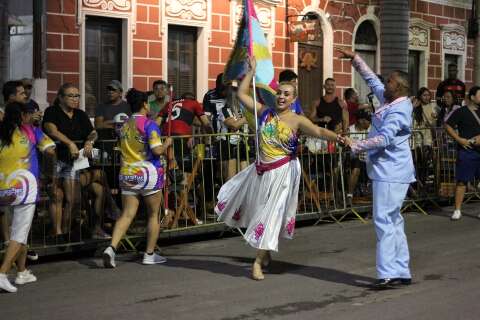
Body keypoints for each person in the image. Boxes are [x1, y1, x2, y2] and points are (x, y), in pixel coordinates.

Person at [215, 57, 341, 281]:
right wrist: (251, 72)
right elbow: (243, 95)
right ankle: (266, 254)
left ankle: (257, 262)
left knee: (270, 214)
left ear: (293, 99)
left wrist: (339, 138)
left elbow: (320, 132)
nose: (281, 97)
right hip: (261, 170)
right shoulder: (265, 112)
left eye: (286, 94)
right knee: (256, 210)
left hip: (283, 172)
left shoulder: (297, 120)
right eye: (279, 93)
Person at [338, 47, 415, 289]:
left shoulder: (400, 108)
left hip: (390, 172)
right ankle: (401, 270)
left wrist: (355, 144)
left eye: (390, 80)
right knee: (394, 221)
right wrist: (356, 59)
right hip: (389, 171)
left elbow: (385, 139)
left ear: (399, 87)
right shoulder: (390, 100)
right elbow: (372, 80)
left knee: (384, 220)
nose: (385, 82)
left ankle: (388, 273)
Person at [103, 88, 172, 268]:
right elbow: (157, 150)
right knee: (153, 215)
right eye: (147, 103)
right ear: (144, 104)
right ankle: (149, 254)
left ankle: (111, 248)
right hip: (148, 172)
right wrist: (167, 143)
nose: (149, 106)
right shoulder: (149, 124)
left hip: (127, 173)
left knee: (127, 214)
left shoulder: (124, 125)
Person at [0, 102, 55, 293]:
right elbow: (50, 150)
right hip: (25, 188)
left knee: (17, 231)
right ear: (23, 116)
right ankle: (2, 273)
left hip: (4, 189)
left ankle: (22, 272)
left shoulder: (2, 133)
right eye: (29, 114)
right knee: (19, 234)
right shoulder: (30, 132)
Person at [43, 83, 103, 238]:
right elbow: (51, 130)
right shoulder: (52, 111)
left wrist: (90, 141)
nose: (75, 99)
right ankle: (57, 232)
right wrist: (69, 143)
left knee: (73, 199)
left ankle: (66, 231)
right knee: (57, 195)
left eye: (77, 95)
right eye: (71, 95)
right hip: (55, 160)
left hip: (74, 163)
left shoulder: (81, 114)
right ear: (61, 98)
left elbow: (93, 132)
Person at [444, 86, 480, 221]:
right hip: (467, 151)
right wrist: (459, 139)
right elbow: (447, 125)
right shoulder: (461, 112)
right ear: (472, 97)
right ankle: (457, 210)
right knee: (462, 181)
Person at [346, 109, 371, 205]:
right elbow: (347, 147)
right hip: (355, 158)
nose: (370, 122)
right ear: (361, 120)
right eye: (368, 120)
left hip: (369, 157)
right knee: (356, 168)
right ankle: (349, 196)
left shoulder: (371, 129)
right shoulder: (350, 130)